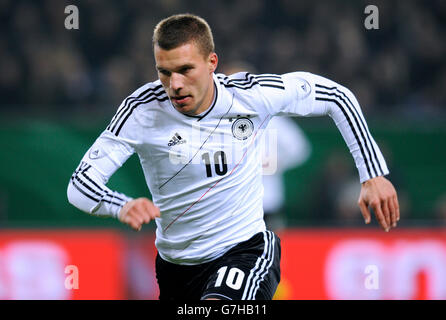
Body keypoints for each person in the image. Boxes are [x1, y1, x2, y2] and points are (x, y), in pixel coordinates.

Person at [67, 13, 400, 300]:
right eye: (164, 72)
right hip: (175, 267)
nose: (175, 84)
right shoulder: (141, 111)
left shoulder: (251, 96)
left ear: (212, 63)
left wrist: (371, 174)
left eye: (185, 69)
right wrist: (120, 205)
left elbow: (336, 97)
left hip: (245, 249)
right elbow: (80, 184)